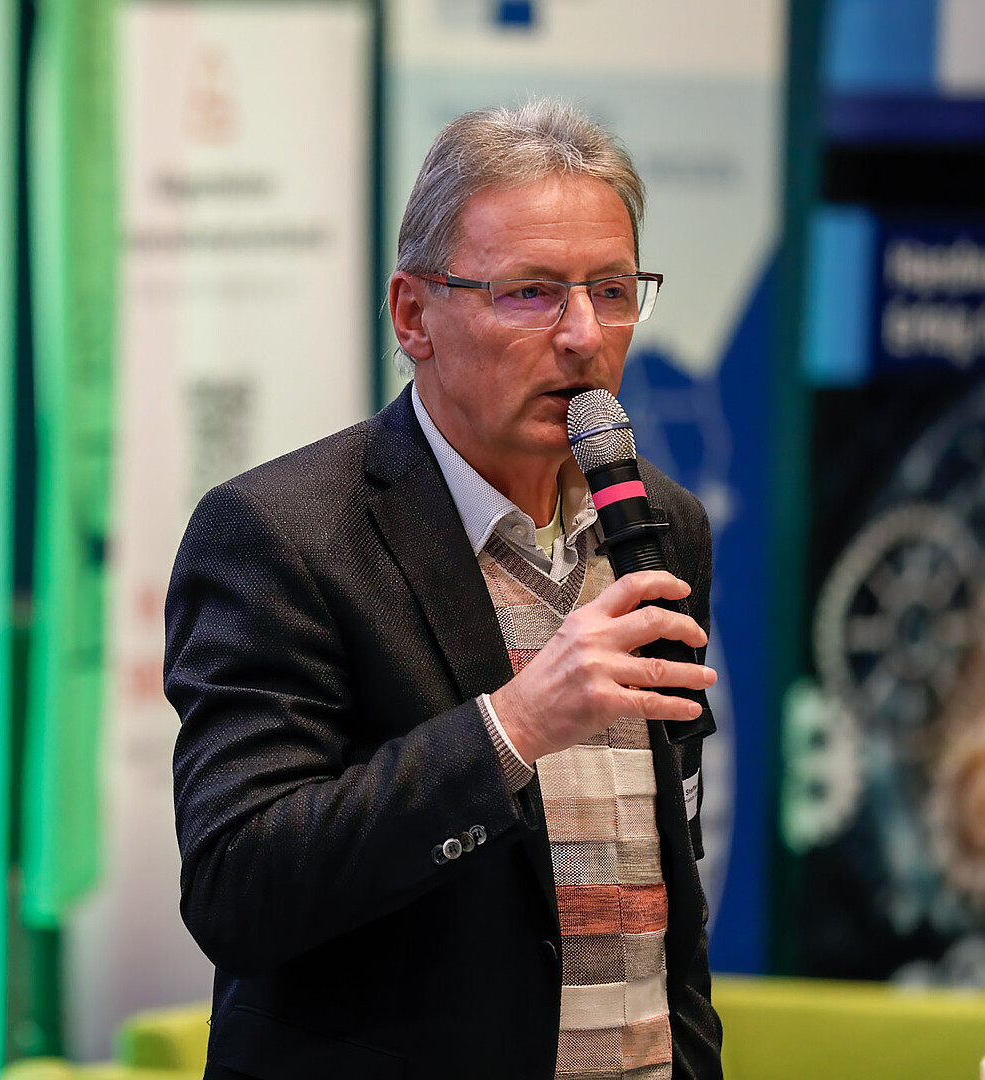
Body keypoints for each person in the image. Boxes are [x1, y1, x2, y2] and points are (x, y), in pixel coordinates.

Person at [166, 100, 723, 1079]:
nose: (584, 335)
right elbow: (238, 888)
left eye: (612, 290)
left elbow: (666, 878)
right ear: (413, 315)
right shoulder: (282, 535)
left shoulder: (662, 525)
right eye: (532, 293)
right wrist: (512, 728)